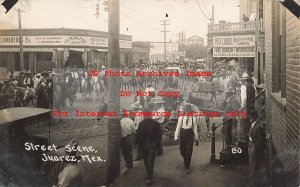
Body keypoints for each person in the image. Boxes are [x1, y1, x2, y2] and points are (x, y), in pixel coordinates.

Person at [136, 102, 162, 185]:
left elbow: (159, 135)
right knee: (146, 161)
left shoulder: (155, 124)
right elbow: (138, 136)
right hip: (144, 146)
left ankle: (150, 177)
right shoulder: (141, 124)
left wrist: (156, 144)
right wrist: (138, 145)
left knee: (150, 161)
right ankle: (149, 174)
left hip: (151, 146)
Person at [174, 103, 199, 174]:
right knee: (182, 151)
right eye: (186, 111)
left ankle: (187, 167)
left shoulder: (193, 119)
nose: (188, 112)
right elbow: (178, 128)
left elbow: (195, 129)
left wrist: (196, 138)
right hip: (183, 135)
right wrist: (176, 136)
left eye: (189, 111)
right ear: (184, 111)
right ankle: (186, 160)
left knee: (189, 151)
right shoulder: (181, 118)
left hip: (190, 135)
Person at [248, 110, 265, 187]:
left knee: (253, 167)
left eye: (251, 117)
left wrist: (255, 149)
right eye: (250, 117)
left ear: (254, 117)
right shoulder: (252, 125)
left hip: (254, 148)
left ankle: (253, 184)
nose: (250, 118)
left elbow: (260, 140)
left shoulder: (258, 127)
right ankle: (253, 183)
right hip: (251, 146)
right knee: (252, 166)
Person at [240, 72, 256, 142]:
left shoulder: (243, 87)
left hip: (246, 109)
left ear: (243, 80)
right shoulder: (253, 87)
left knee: (245, 124)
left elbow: (244, 99)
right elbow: (255, 98)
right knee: (251, 124)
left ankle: (246, 140)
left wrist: (242, 108)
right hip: (252, 108)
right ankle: (251, 139)